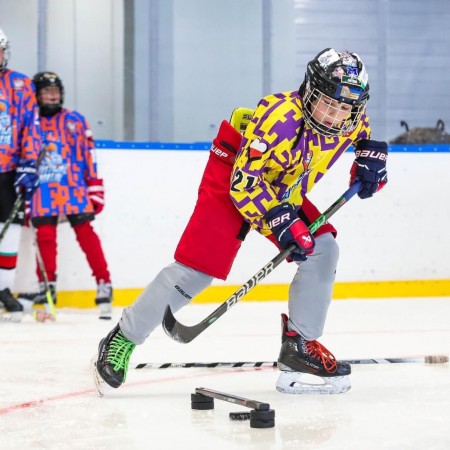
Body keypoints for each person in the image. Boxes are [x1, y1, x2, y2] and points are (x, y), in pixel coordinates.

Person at [92, 48, 388, 394]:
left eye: (344, 109)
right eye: (328, 103)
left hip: (283, 184)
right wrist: (279, 222)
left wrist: (370, 154)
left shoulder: (351, 116)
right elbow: (243, 183)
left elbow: (361, 131)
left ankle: (300, 346)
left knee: (324, 249)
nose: (335, 116)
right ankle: (124, 337)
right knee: (197, 270)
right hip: (236, 173)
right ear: (309, 90)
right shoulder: (281, 117)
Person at [17, 71, 113, 320]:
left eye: (55, 91)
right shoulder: (28, 122)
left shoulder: (75, 120)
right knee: (45, 237)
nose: (52, 96)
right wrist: (22, 185)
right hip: (43, 188)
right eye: (47, 92)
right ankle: (46, 287)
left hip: (73, 186)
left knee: (86, 233)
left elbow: (89, 154)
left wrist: (95, 186)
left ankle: (104, 283)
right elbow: (22, 156)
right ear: (36, 95)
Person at [0, 26, 41, 322]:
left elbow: (30, 125)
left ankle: (3, 288)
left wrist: (28, 162)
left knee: (10, 231)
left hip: (8, 170)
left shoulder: (20, 84)